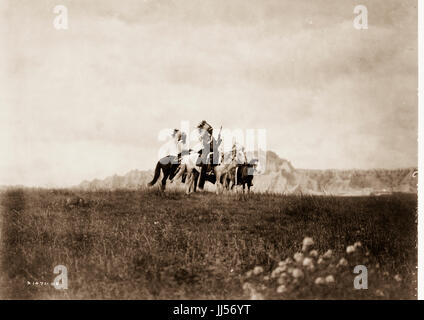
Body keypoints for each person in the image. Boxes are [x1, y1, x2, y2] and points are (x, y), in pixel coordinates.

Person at [196, 120, 222, 189]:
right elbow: (206, 145)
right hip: (206, 151)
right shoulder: (203, 136)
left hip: (212, 152)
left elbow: (215, 146)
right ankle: (200, 185)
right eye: (210, 130)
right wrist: (211, 145)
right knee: (204, 164)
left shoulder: (211, 137)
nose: (211, 131)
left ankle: (213, 175)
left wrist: (219, 140)